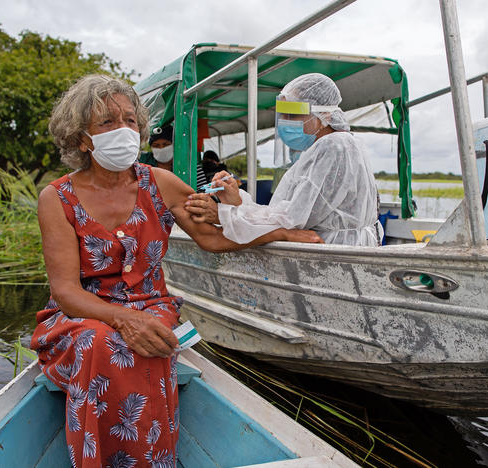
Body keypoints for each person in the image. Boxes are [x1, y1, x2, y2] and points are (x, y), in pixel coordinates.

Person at [30, 74, 322, 468]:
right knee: (100, 343)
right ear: (82, 139)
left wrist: (271, 227)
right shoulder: (57, 198)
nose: (124, 131)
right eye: (107, 123)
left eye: (130, 121)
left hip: (152, 306)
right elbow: (66, 290)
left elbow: (213, 237)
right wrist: (122, 319)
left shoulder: (160, 184)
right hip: (83, 314)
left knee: (146, 339)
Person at [185, 73, 383, 246]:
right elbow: (287, 212)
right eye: (284, 114)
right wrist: (237, 201)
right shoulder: (337, 145)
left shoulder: (333, 146)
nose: (286, 121)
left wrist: (224, 214)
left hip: (334, 251)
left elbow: (292, 220)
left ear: (324, 113)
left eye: (294, 114)